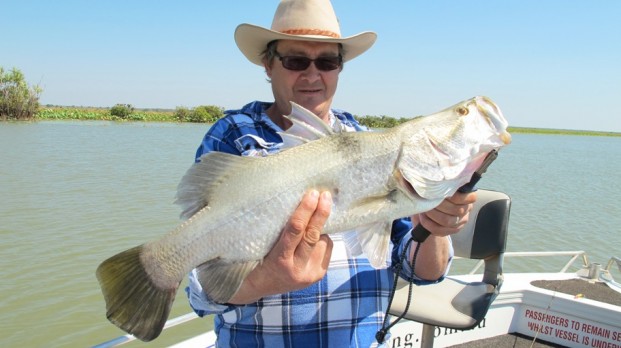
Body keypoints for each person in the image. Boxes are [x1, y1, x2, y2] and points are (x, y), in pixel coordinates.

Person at [186, 0, 477, 346]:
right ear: (268, 64)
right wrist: (267, 279)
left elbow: (420, 271)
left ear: (340, 67)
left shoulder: (373, 145)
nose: (313, 75)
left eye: (327, 61)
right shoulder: (235, 135)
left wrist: (432, 229)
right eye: (295, 60)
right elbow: (201, 291)